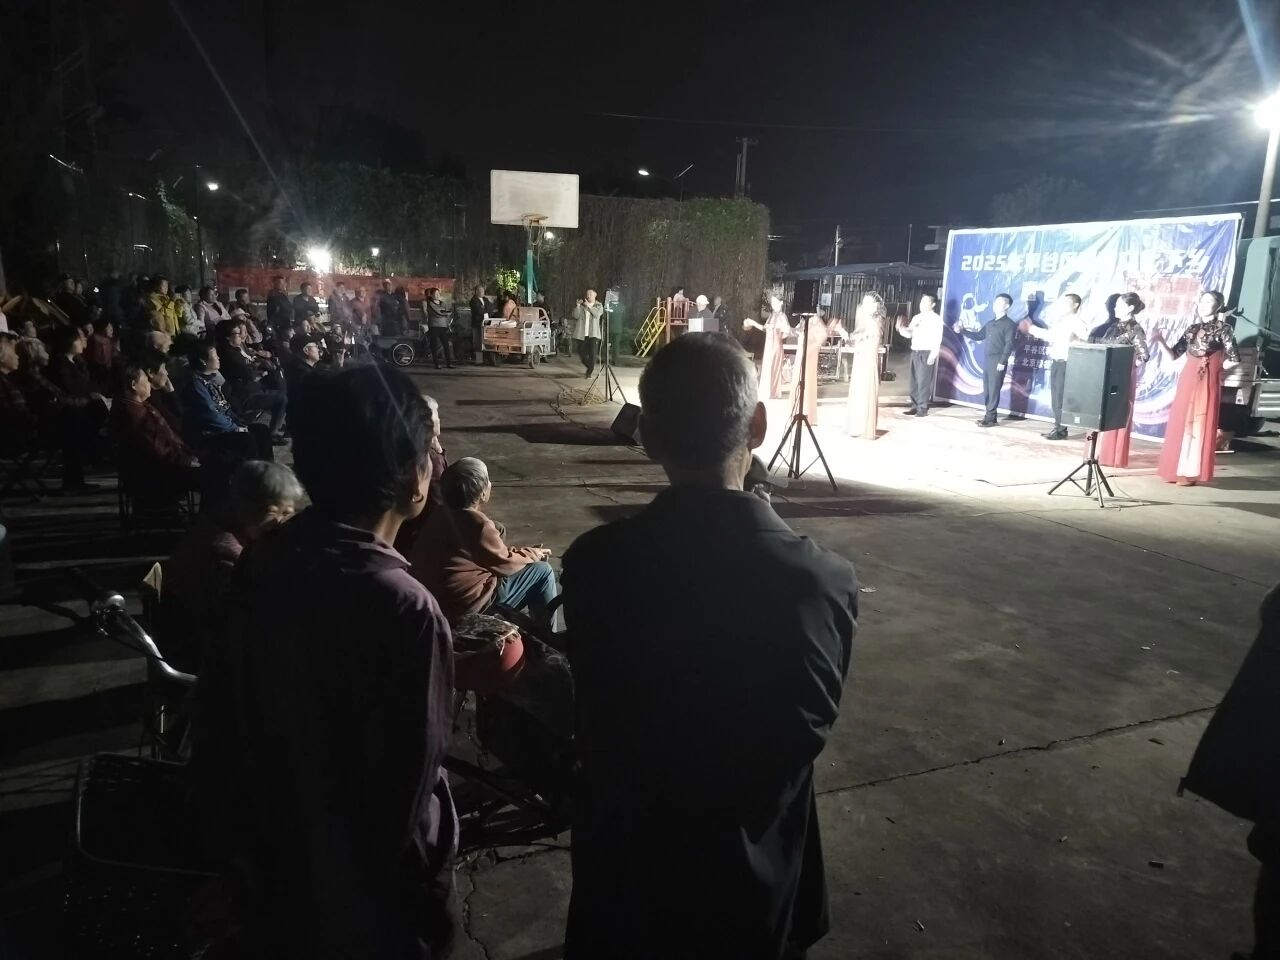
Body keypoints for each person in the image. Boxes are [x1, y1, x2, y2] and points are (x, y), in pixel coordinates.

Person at [560, 332, 857, 960]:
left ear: (648, 438)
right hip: (755, 896)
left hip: (629, 888)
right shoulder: (820, 583)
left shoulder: (595, 565)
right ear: (757, 427)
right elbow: (796, 738)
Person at [193, 363, 457, 959]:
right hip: (366, 897)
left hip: (274, 860)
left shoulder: (266, 557)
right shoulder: (404, 607)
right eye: (430, 450)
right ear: (414, 479)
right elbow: (404, 782)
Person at [161, 461, 303, 671]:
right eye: (279, 513)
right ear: (253, 508)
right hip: (208, 657)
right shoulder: (224, 552)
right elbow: (251, 619)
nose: (283, 523)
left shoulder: (220, 521)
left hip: (210, 640)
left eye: (289, 513)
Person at [409, 457, 557, 629]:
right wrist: (533, 554)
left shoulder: (439, 514)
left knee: (498, 528)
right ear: (482, 492)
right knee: (542, 571)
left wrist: (519, 553)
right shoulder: (478, 525)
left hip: (434, 599)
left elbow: (491, 554)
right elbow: (506, 564)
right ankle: (547, 637)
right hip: (466, 606)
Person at [1151, 289, 1240, 486]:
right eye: (1202, 301)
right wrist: (1160, 341)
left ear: (1218, 306)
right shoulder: (1192, 328)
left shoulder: (1224, 329)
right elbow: (1174, 355)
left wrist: (1215, 368)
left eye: (1209, 301)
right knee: (1181, 419)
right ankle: (1174, 469)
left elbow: (1234, 358)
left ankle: (1189, 472)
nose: (1203, 304)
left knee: (1198, 421)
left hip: (1206, 377)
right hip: (1188, 376)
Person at [110, 362, 200, 499]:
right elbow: (158, 450)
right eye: (146, 380)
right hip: (155, 475)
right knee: (215, 476)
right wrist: (188, 461)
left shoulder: (139, 406)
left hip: (163, 466)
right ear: (134, 385)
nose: (149, 384)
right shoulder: (134, 414)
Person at [182, 339, 275, 463]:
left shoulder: (212, 377)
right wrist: (235, 428)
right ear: (203, 361)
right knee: (247, 440)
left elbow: (225, 405)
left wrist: (239, 423)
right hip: (213, 433)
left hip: (229, 424)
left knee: (262, 430)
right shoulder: (196, 385)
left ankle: (268, 469)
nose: (218, 358)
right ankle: (252, 472)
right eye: (215, 356)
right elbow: (211, 415)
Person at [1090, 291, 1150, 468]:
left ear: (1130, 307)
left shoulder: (1135, 328)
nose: (1115, 308)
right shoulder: (1114, 326)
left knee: (1116, 413)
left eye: (1119, 305)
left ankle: (1111, 455)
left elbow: (1144, 355)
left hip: (1120, 377)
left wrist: (1126, 368)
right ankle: (1097, 452)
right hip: (1106, 373)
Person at [1019, 293, 1090, 439]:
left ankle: (1061, 430)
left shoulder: (1077, 322)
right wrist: (1031, 329)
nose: (1062, 305)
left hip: (1067, 364)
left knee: (1060, 397)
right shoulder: (1062, 321)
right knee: (1056, 397)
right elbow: (1051, 335)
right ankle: (1058, 427)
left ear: (1075, 305)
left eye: (1066, 302)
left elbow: (1085, 342)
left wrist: (1077, 339)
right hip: (1057, 362)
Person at [956, 292, 1021, 427]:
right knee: (987, 388)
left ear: (1007, 306)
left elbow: (1009, 344)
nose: (995, 304)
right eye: (995, 302)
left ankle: (991, 418)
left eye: (999, 302)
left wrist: (1002, 361)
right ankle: (989, 416)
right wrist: (962, 331)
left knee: (994, 389)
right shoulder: (991, 323)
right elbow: (979, 335)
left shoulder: (1009, 324)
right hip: (988, 359)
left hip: (998, 360)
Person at [216, 319, 287, 440]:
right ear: (227, 337)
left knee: (278, 379)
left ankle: (280, 418)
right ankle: (273, 433)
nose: (241, 335)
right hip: (244, 395)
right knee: (281, 398)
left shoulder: (235, 349)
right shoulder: (229, 354)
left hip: (250, 387)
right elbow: (250, 374)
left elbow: (251, 367)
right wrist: (256, 369)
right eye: (237, 333)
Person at [896, 292, 944, 417]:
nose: (922, 304)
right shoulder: (916, 317)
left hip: (926, 352)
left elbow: (938, 339)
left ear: (933, 304)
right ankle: (914, 405)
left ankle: (922, 408)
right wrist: (901, 329)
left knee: (923, 382)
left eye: (925, 302)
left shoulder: (936, 319)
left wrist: (933, 355)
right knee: (914, 381)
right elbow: (909, 334)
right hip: (915, 352)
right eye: (921, 302)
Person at [846, 291, 886, 438]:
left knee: (865, 392)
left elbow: (868, 338)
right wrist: (849, 336)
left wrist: (853, 337)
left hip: (867, 361)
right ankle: (857, 426)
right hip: (860, 359)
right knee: (858, 392)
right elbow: (856, 338)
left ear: (875, 306)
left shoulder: (875, 322)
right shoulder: (864, 321)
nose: (864, 306)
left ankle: (864, 426)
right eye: (864, 303)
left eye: (868, 303)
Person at [743, 296, 791, 400]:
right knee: (767, 365)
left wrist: (778, 336)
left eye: (775, 304)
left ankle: (774, 391)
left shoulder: (782, 316)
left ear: (779, 305)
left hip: (775, 343)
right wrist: (753, 323)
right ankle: (767, 390)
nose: (774, 306)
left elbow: (787, 331)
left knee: (774, 365)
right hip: (769, 344)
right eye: (773, 304)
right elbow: (764, 328)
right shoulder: (772, 316)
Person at [572, 289, 605, 378]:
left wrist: (589, 306)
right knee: (581, 353)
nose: (588, 295)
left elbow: (597, 314)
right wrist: (578, 306)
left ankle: (589, 372)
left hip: (593, 334)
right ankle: (589, 367)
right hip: (582, 334)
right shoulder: (583, 306)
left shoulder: (599, 305)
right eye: (587, 294)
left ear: (595, 295)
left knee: (592, 354)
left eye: (590, 294)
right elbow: (575, 316)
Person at [423, 287, 455, 369]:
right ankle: (436, 364)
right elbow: (437, 313)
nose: (437, 295)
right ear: (432, 295)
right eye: (435, 294)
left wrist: (445, 313)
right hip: (434, 326)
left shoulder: (443, 303)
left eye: (438, 293)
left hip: (443, 326)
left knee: (446, 345)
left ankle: (448, 363)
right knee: (434, 345)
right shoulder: (430, 304)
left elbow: (449, 312)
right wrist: (445, 313)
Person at [86, 316, 118, 390]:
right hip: (96, 372)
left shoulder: (109, 341)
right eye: (109, 328)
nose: (112, 330)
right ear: (102, 328)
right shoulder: (96, 340)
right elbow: (101, 360)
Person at [468, 285, 487, 360]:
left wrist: (484, 309)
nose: (483, 292)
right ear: (476, 292)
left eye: (483, 291)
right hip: (477, 324)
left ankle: (485, 358)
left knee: (483, 341)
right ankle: (479, 360)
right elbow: (478, 311)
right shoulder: (473, 300)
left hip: (485, 323)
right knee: (477, 342)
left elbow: (490, 307)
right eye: (481, 291)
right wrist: (484, 310)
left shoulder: (485, 299)